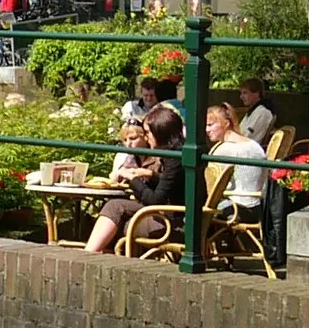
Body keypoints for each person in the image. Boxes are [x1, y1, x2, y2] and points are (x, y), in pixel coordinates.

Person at [85, 106, 185, 253]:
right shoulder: (178, 154)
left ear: (160, 132)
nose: (146, 137)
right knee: (114, 210)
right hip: (170, 214)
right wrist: (151, 175)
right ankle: (91, 254)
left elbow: (155, 200)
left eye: (148, 132)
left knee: (114, 217)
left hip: (173, 223)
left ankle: (88, 255)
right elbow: (174, 187)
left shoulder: (174, 160)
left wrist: (133, 179)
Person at [206, 104, 269, 223]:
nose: (206, 130)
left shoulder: (223, 149)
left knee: (192, 216)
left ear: (226, 123)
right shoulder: (253, 144)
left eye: (210, 125)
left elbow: (212, 188)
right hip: (260, 206)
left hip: (238, 209)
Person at [108, 119, 152, 185]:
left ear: (145, 137)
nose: (128, 144)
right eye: (125, 140)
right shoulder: (126, 157)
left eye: (133, 138)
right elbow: (113, 180)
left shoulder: (156, 158)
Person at [235, 78, 277, 146]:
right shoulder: (252, 111)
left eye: (245, 93)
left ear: (257, 93)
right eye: (241, 93)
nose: (241, 97)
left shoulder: (263, 113)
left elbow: (248, 137)